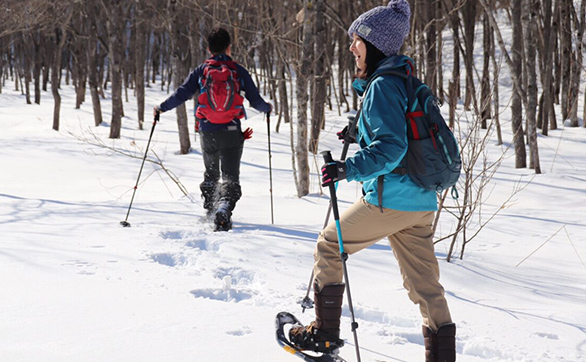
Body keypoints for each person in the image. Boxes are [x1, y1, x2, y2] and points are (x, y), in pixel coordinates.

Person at [288, 1, 456, 361]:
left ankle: (323, 335)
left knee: (329, 246)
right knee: (427, 289)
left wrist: (348, 168)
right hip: (422, 202)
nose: (352, 48)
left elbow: (393, 148)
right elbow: (399, 133)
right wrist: (360, 131)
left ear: (375, 44)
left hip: (390, 199)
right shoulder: (405, 80)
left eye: (357, 41)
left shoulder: (382, 85)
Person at [154, 27, 271, 231]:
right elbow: (255, 101)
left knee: (211, 172)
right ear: (229, 47)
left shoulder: (201, 71)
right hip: (232, 131)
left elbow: (182, 94)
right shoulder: (238, 70)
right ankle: (224, 208)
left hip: (207, 130)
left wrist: (161, 108)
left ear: (208, 49)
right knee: (230, 175)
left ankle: (211, 208)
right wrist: (267, 108)